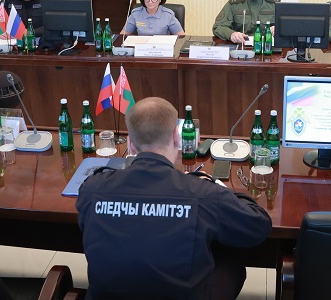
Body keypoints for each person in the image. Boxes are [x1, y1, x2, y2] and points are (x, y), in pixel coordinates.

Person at [77, 97, 271, 300]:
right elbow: (258, 226)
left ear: (131, 144)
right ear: (176, 138)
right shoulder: (203, 193)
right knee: (230, 257)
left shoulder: (93, 189)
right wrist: (216, 186)